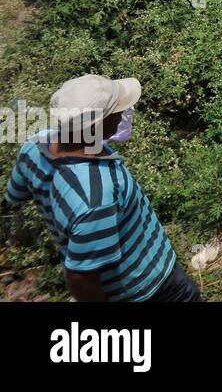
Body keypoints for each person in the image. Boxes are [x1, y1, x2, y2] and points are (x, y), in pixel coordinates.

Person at [3, 75, 203, 301]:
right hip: (149, 288)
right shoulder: (96, 196)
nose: (121, 115)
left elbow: (14, 194)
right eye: (116, 111)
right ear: (97, 125)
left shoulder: (34, 146)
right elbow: (79, 278)